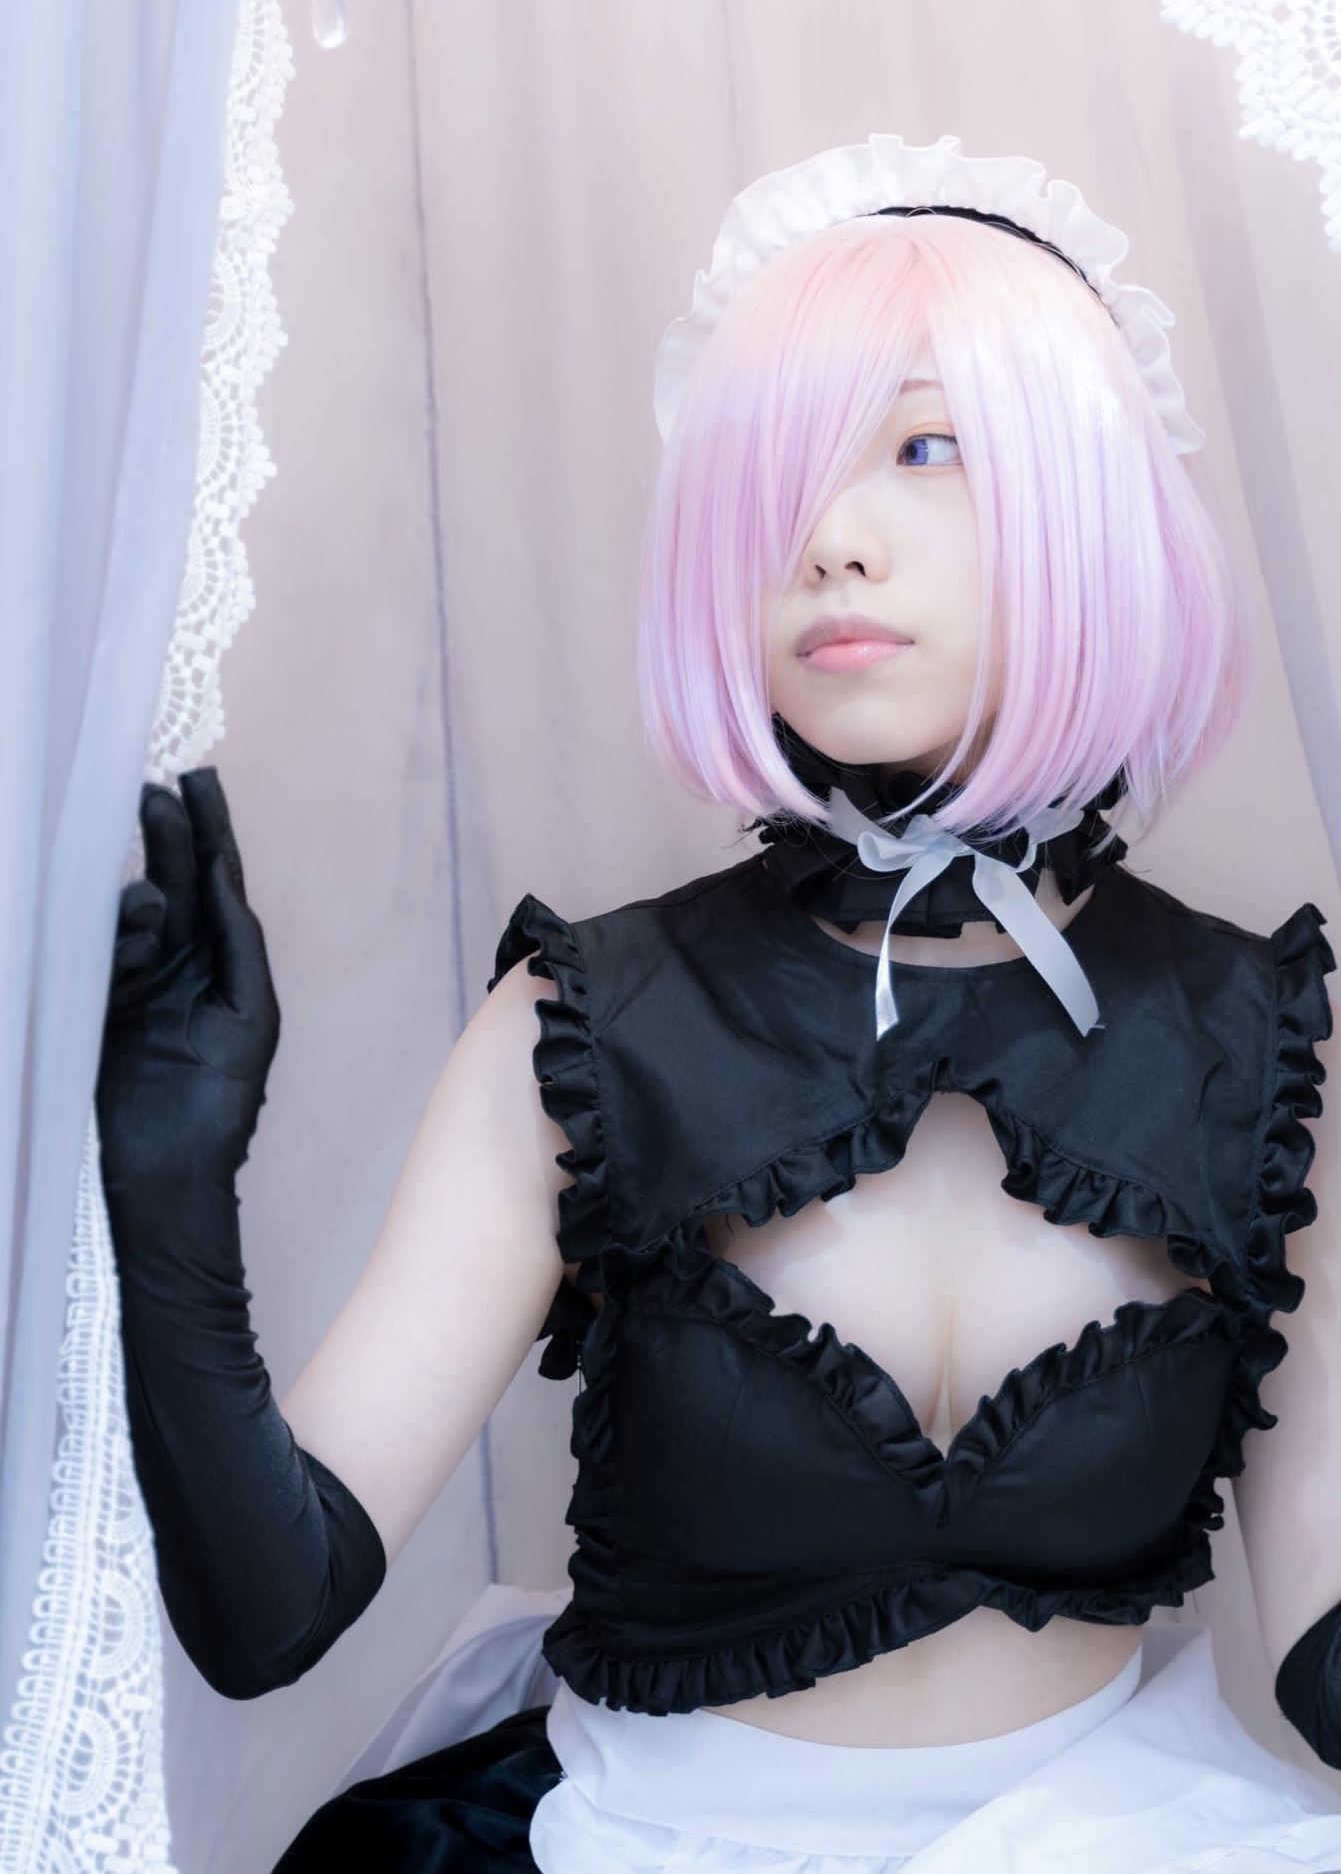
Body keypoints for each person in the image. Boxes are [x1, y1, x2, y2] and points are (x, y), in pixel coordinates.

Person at [98, 138, 1341, 1872]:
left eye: (926, 447)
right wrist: (167, 1187)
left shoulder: (1257, 1046)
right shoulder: (587, 1025)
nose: (828, 540)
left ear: (1092, 501)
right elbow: (266, 1613)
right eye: (776, 477)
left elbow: (1325, 1656)